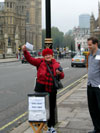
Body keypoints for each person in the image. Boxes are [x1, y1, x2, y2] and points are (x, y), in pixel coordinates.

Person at [22, 45, 64, 133]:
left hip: (52, 89)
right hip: (41, 88)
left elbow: (62, 76)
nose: (48, 56)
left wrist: (59, 73)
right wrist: (25, 52)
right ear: (43, 56)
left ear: (52, 55)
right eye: (46, 55)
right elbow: (30, 59)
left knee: (51, 109)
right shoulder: (40, 62)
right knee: (40, 108)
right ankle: (39, 127)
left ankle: (50, 127)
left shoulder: (56, 64)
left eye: (49, 54)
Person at [87, 37, 100, 133]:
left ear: (96, 44)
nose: (88, 46)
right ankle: (97, 128)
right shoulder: (89, 55)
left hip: (98, 86)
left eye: (90, 44)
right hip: (90, 85)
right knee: (92, 109)